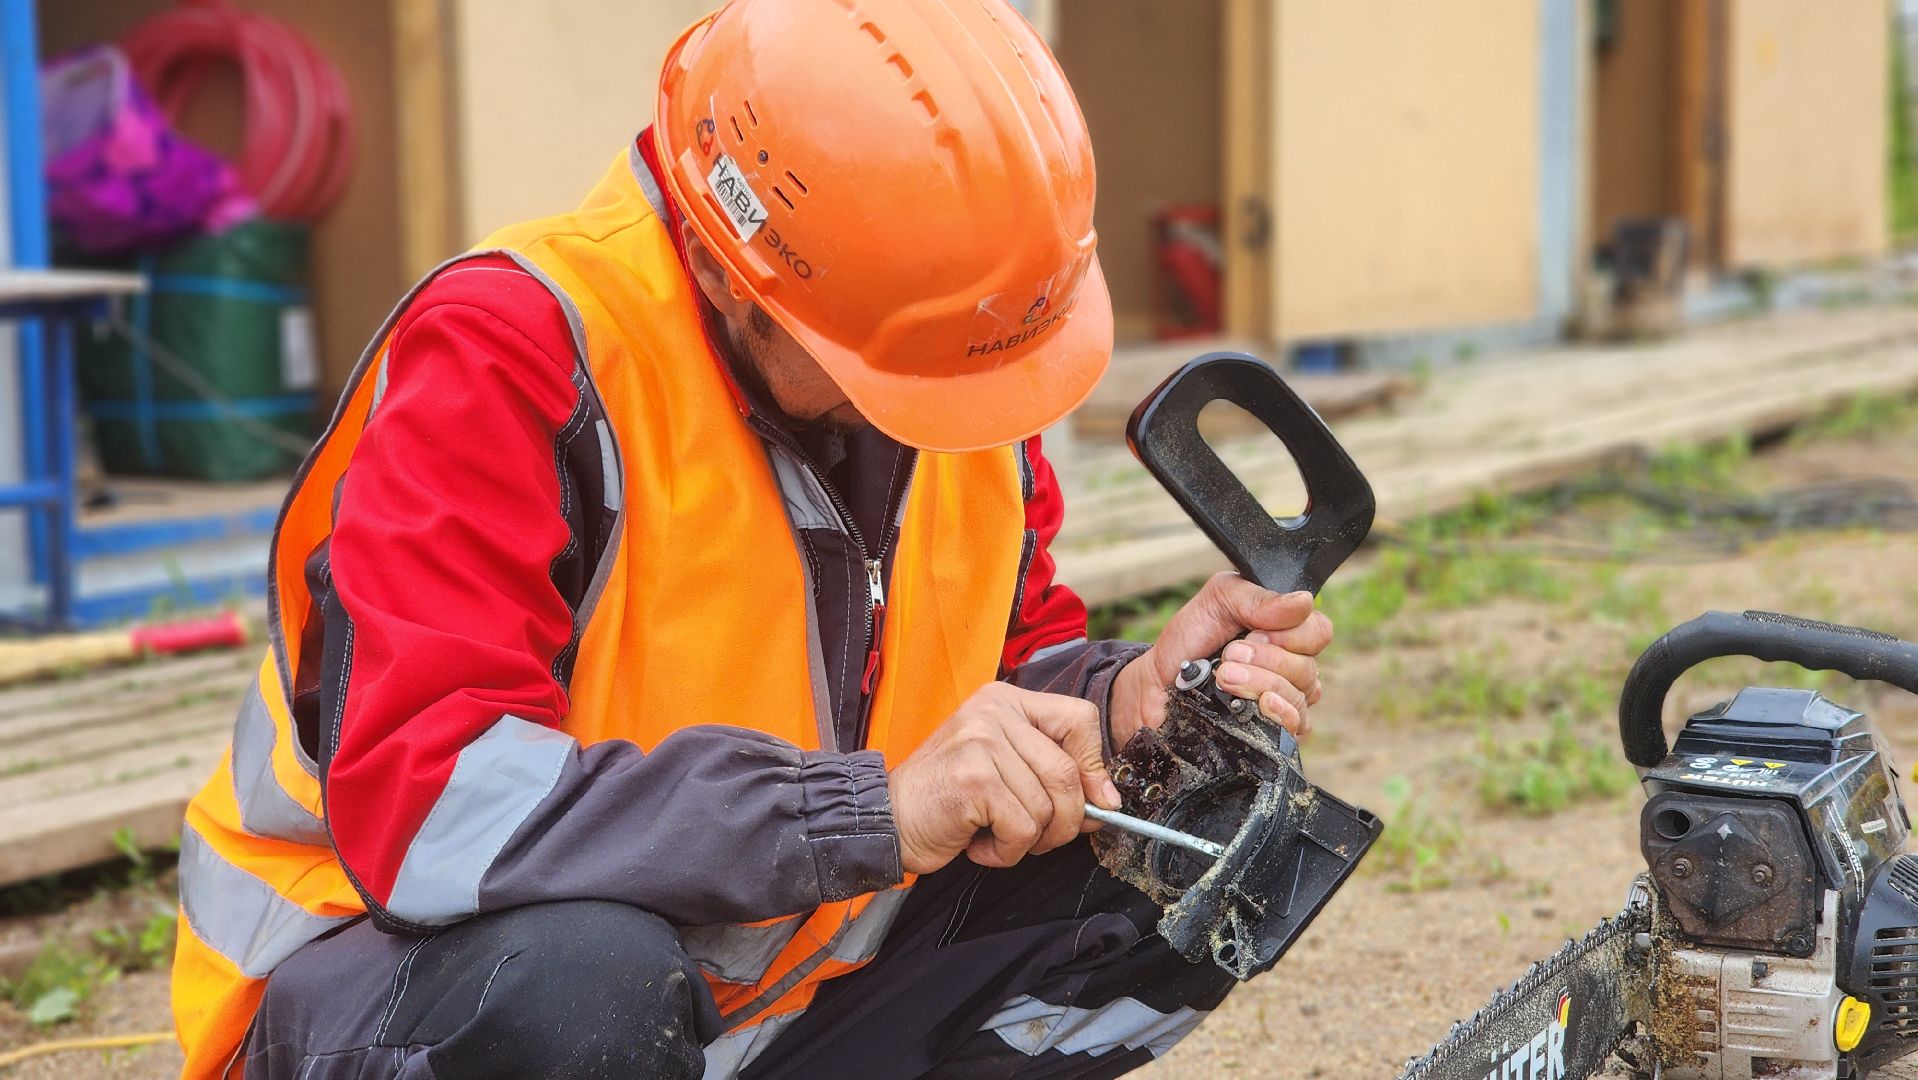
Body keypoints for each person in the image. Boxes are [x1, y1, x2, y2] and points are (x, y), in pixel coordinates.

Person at [169, 1, 1333, 1076]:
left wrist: (1124, 699)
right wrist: (866, 812)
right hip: (397, 990)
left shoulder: (939, 361)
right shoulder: (511, 355)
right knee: (579, 984)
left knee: (1190, 857)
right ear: (737, 276)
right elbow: (430, 808)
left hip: (747, 986)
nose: (936, 415)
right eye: (894, 376)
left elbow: (988, 661)